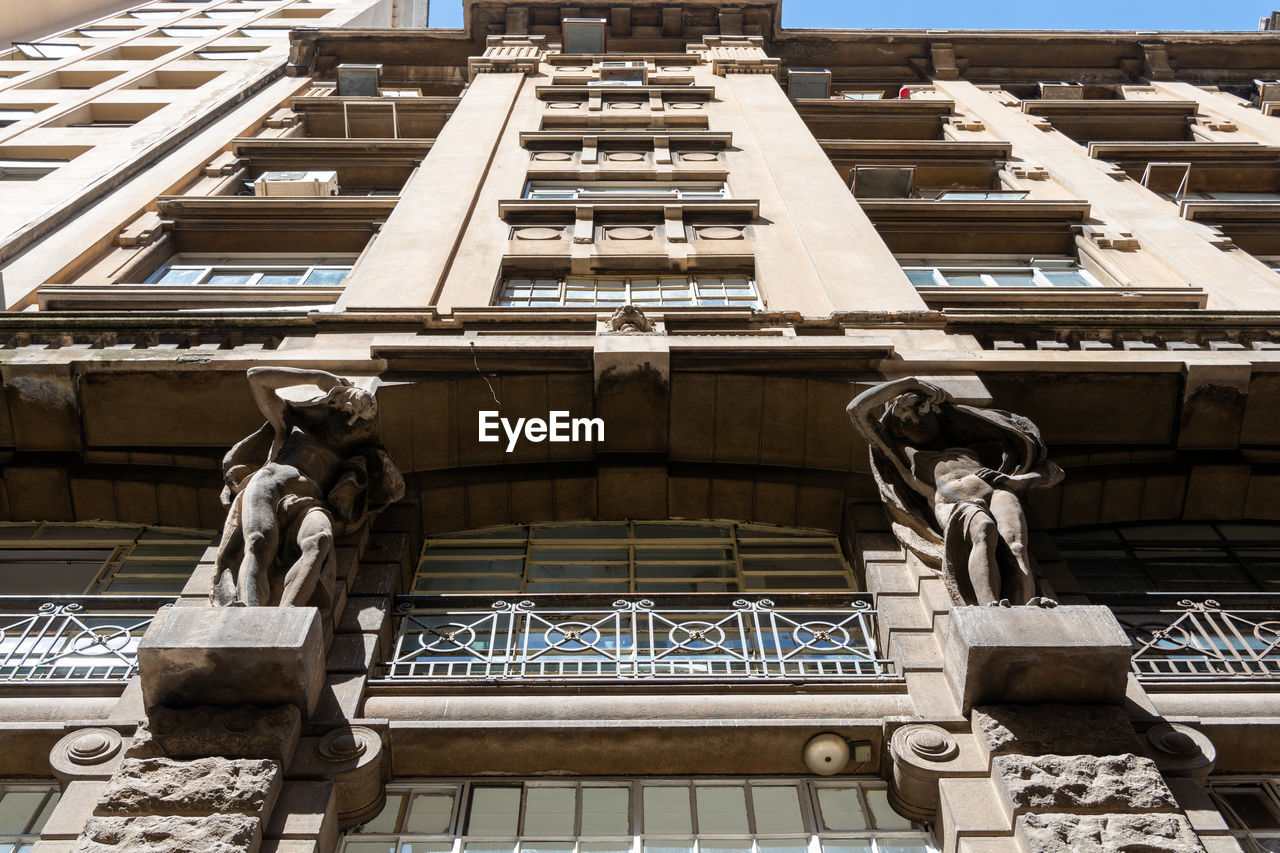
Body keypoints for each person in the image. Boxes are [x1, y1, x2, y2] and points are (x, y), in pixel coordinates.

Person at [847, 378, 1063, 607]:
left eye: (921, 413)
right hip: (952, 502)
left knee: (1017, 548)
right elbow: (856, 410)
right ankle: (989, 607)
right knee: (983, 529)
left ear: (937, 415)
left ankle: (1026, 607)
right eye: (905, 420)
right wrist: (910, 383)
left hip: (997, 492)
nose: (915, 422)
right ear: (898, 430)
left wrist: (1018, 481)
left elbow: (1054, 472)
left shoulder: (972, 448)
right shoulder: (903, 455)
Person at [212, 367, 404, 609]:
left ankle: (288, 612)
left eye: (359, 421)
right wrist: (315, 378)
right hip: (269, 485)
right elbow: (256, 378)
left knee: (320, 540)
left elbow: (395, 489)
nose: (350, 422)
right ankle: (248, 609)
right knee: (259, 542)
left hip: (311, 504)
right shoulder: (293, 426)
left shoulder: (353, 457)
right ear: (334, 404)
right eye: (349, 412)